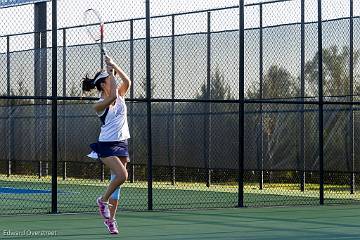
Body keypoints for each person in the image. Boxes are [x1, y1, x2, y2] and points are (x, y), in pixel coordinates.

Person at [82, 55, 131, 235]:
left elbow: (128, 81)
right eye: (110, 79)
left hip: (122, 142)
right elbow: (111, 98)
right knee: (122, 175)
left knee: (117, 184)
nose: (114, 81)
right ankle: (102, 200)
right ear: (103, 84)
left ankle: (111, 221)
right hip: (106, 146)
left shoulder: (120, 95)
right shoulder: (99, 105)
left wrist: (114, 66)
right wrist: (110, 71)